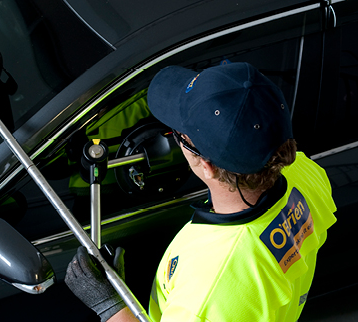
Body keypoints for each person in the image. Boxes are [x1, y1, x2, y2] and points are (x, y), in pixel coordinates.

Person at [64, 62, 337, 322]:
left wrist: (110, 306)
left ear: (207, 165)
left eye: (179, 135)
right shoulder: (304, 173)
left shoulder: (214, 283)